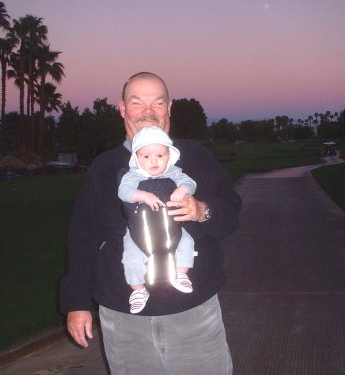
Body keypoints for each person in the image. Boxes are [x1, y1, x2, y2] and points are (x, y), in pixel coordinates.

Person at [60, 72, 241, 374]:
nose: (147, 112)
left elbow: (231, 213)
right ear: (122, 109)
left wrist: (203, 211)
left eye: (157, 103)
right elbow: (82, 239)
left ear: (169, 108)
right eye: (136, 103)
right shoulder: (104, 168)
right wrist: (76, 302)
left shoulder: (196, 158)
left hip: (194, 316)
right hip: (124, 322)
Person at [118, 125, 197, 314]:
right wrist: (142, 195)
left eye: (160, 156)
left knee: (187, 242)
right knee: (131, 255)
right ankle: (138, 289)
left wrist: (182, 190)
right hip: (139, 229)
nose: (153, 161)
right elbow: (123, 192)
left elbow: (190, 183)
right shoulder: (132, 176)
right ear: (137, 158)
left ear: (169, 156)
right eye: (146, 156)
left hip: (170, 226)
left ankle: (181, 272)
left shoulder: (174, 173)